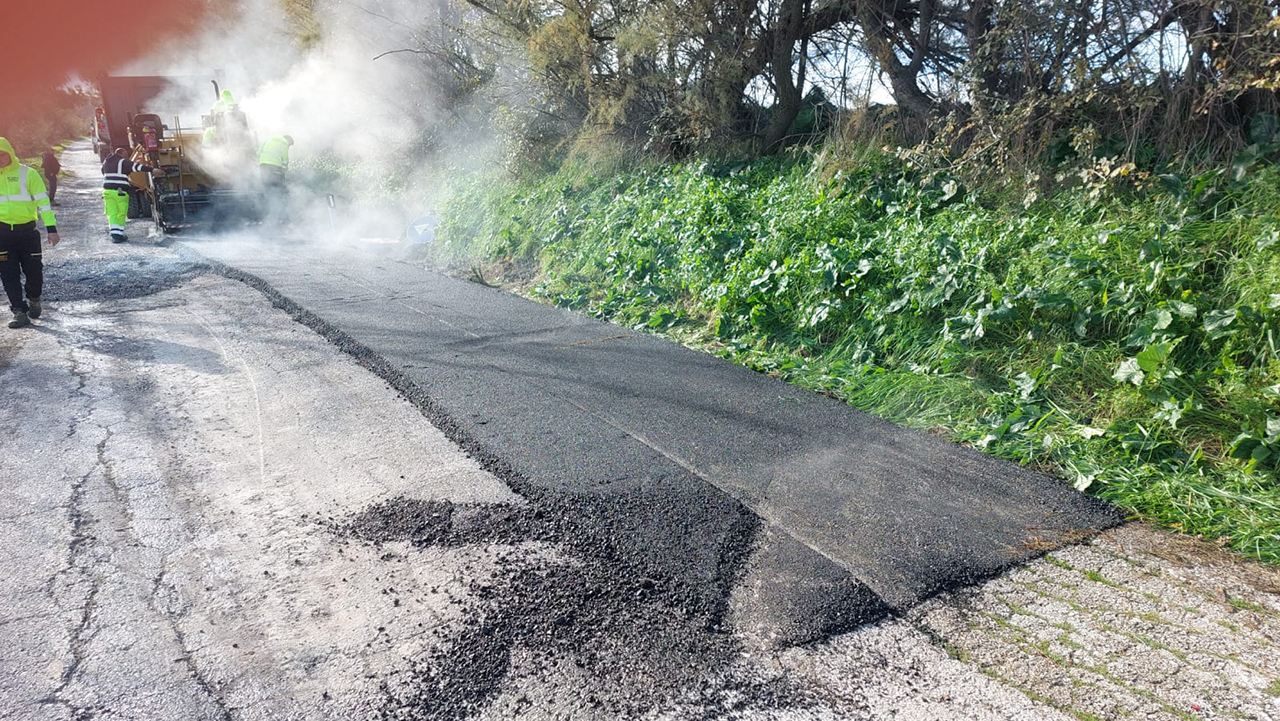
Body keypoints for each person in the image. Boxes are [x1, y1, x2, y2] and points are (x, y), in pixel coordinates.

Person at [0, 137, 59, 329]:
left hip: (27, 232)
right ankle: (19, 311)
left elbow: (44, 204)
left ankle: (34, 298)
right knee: (8, 274)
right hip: (2, 235)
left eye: (2, 154)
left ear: (9, 153)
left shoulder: (28, 174)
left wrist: (51, 229)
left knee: (34, 272)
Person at [101, 147, 163, 243]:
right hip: (119, 192)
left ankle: (114, 235)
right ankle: (118, 236)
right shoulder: (123, 162)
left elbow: (103, 172)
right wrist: (152, 170)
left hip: (107, 192)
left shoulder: (106, 162)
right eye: (126, 154)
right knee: (121, 214)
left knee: (112, 214)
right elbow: (138, 167)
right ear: (122, 154)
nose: (127, 157)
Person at [258, 135, 293, 224]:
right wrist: (284, 169)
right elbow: (285, 158)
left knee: (267, 189)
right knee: (279, 190)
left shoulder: (269, 139)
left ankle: (265, 214)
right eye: (290, 145)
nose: (289, 147)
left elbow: (259, 152)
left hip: (263, 166)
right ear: (288, 141)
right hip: (274, 167)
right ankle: (281, 217)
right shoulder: (284, 143)